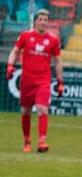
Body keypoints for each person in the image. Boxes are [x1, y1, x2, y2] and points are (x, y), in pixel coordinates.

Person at [5, 9, 63, 153]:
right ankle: (27, 140)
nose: (43, 22)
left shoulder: (53, 40)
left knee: (43, 109)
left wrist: (60, 81)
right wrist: (10, 66)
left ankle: (42, 141)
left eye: (45, 20)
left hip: (43, 81)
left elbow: (58, 61)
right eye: (41, 19)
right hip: (27, 81)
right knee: (26, 111)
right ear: (36, 21)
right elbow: (14, 51)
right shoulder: (26, 36)